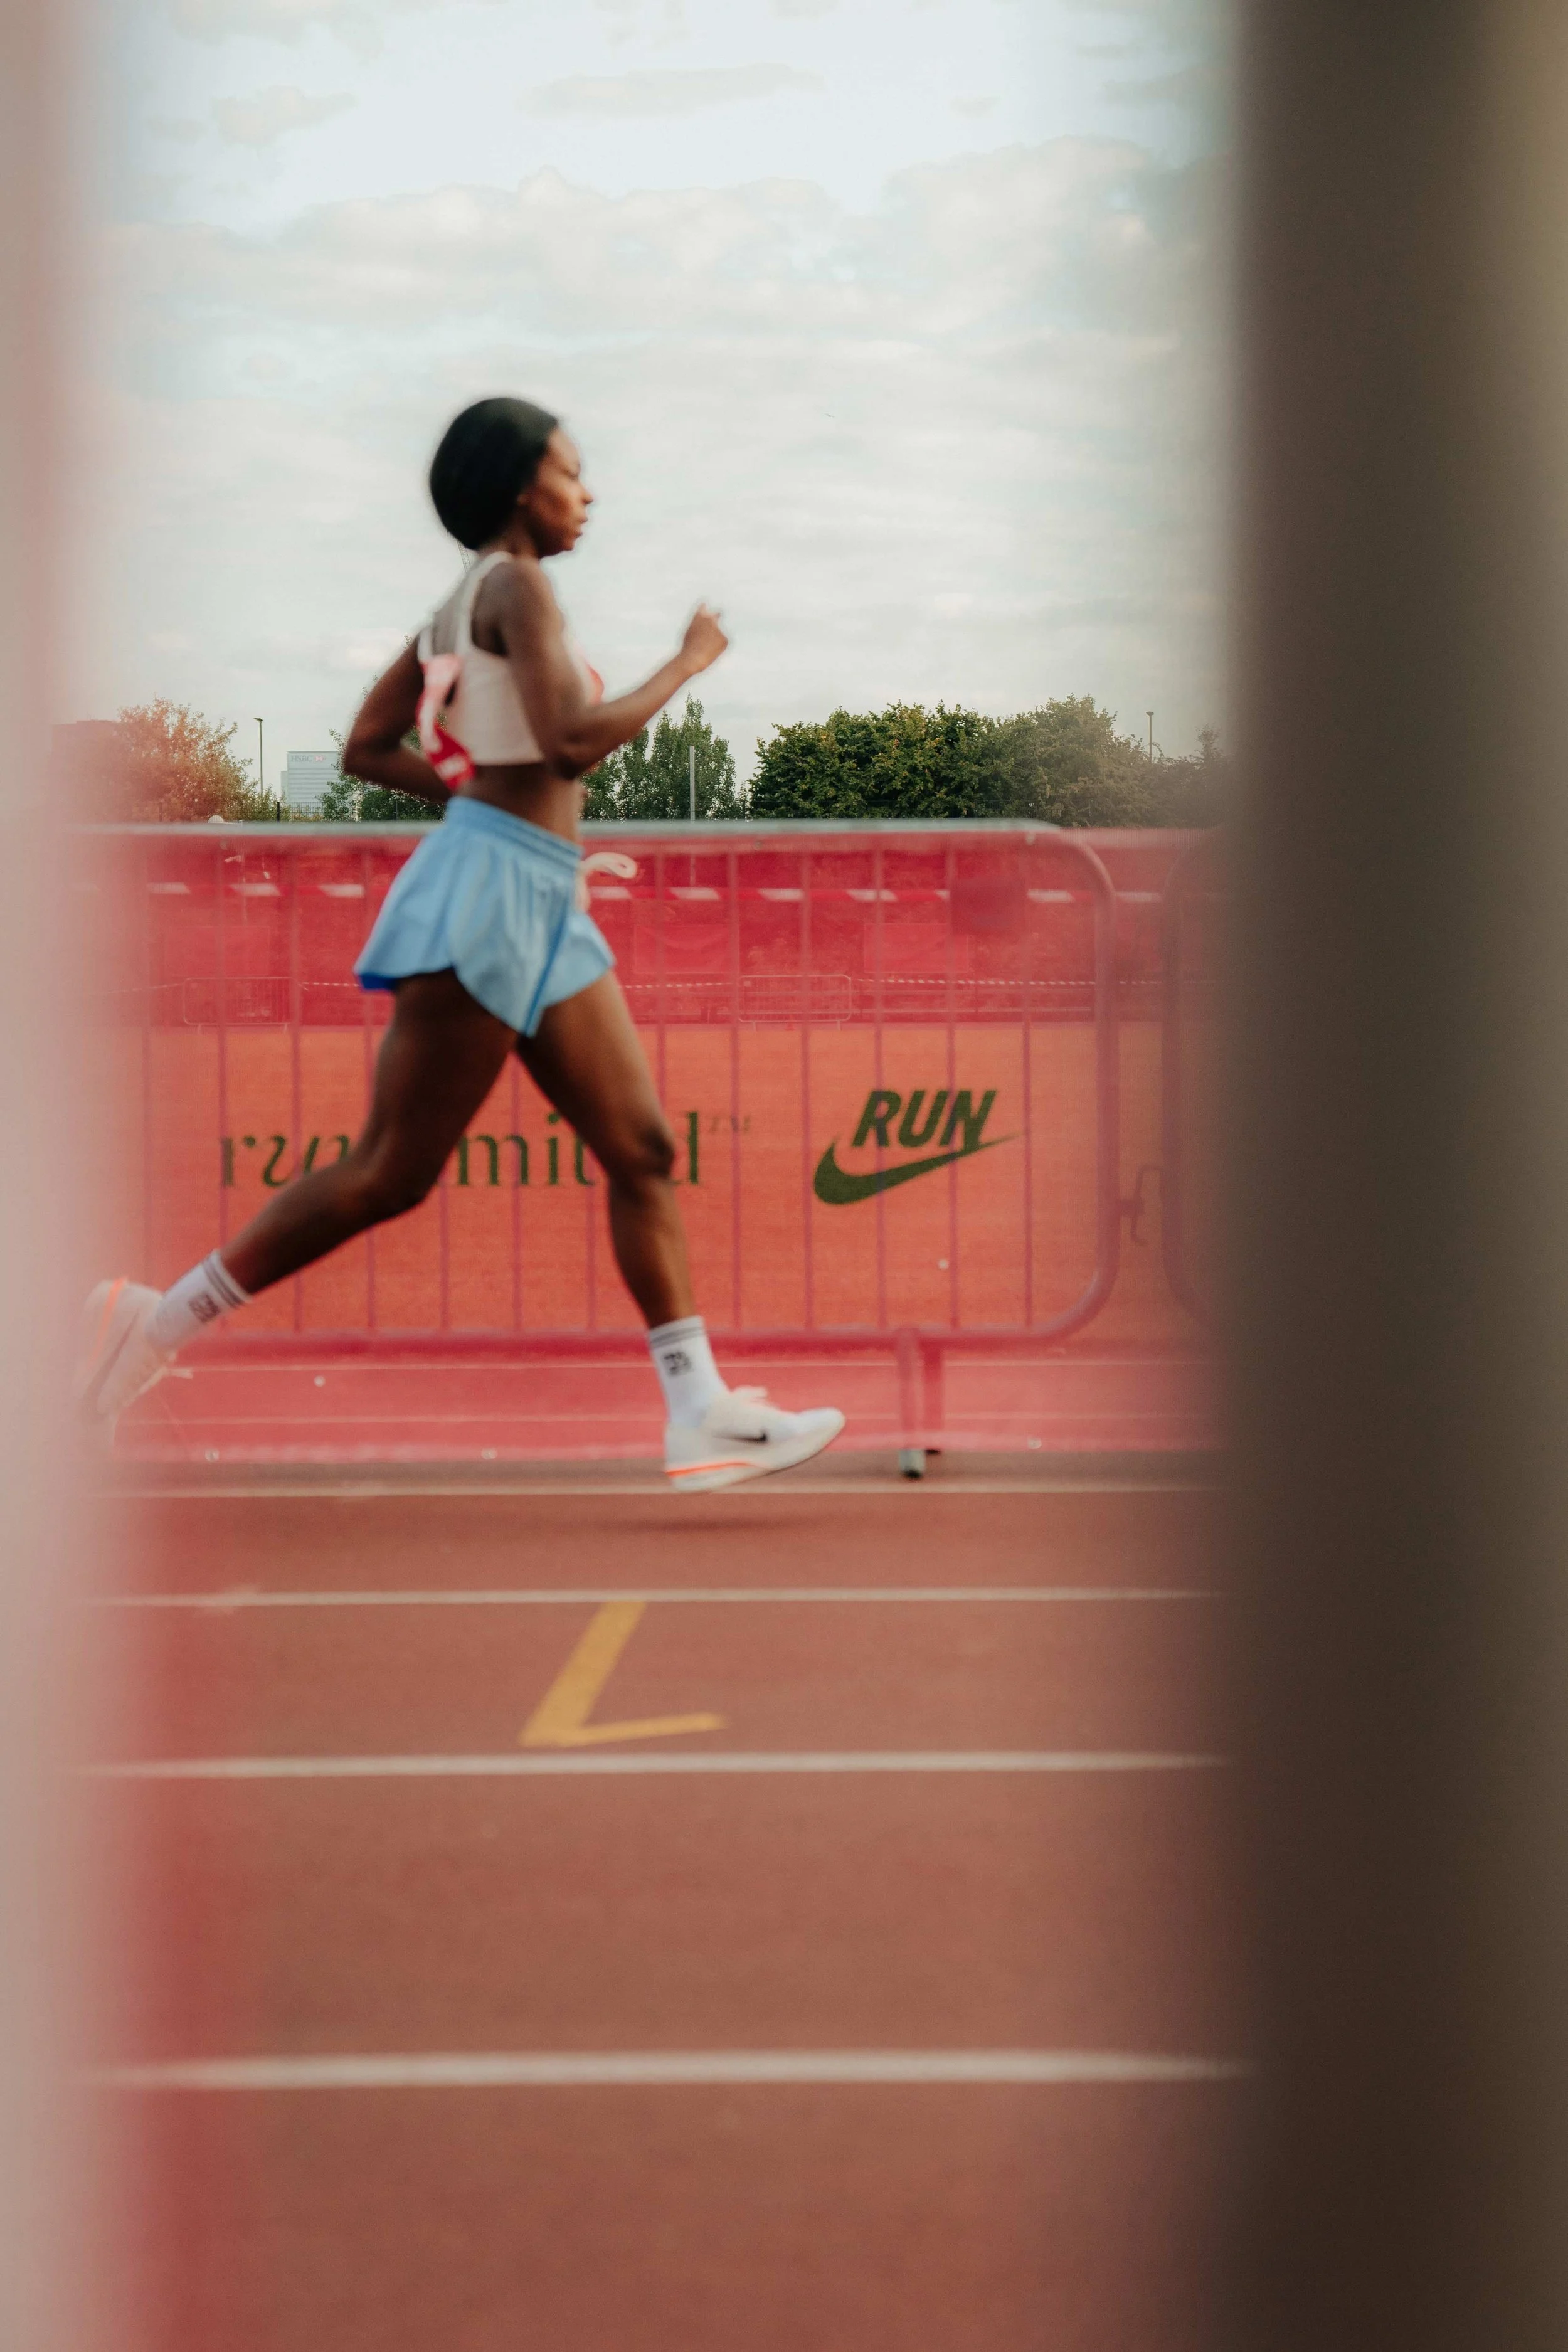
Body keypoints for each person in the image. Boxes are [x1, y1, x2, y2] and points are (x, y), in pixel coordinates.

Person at [77, 396, 844, 1491]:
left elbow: (365, 747)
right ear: (523, 485)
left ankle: (700, 1411)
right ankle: (151, 1328)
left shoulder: (458, 605)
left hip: (539, 893)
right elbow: (572, 744)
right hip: (492, 888)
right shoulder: (518, 584)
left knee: (640, 1147)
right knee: (390, 1171)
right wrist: (688, 663)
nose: (589, 494)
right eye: (575, 473)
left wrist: (476, 778)